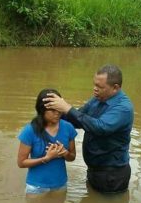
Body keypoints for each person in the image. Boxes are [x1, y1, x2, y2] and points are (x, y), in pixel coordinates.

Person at [43, 64, 134, 193]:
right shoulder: (98, 99)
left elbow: (100, 128)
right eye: (94, 84)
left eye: (100, 87)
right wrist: (53, 114)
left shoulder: (123, 108)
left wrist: (67, 108)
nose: (95, 89)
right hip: (94, 169)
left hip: (112, 174)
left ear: (115, 88)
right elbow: (79, 120)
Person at [17, 88, 77, 195]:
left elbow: (72, 157)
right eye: (53, 110)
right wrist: (46, 158)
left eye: (59, 109)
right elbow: (21, 163)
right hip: (36, 187)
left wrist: (65, 153)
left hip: (60, 185)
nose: (57, 113)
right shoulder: (30, 130)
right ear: (42, 110)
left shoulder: (68, 128)